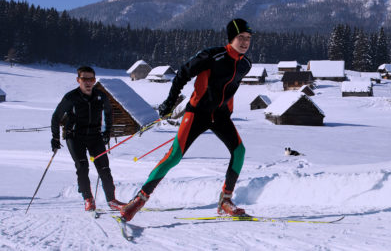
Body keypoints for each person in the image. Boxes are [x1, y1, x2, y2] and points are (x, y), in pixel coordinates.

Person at [121, 18, 253, 221]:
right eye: (240, 37)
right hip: (197, 113)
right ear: (230, 38)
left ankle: (226, 200)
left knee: (239, 151)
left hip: (219, 116)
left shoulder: (245, 64)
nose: (245, 42)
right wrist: (170, 101)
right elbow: (183, 73)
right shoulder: (212, 55)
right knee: (174, 156)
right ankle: (139, 199)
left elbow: (230, 88)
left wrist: (228, 110)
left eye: (248, 38)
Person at [51, 66, 126, 211]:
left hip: (95, 135)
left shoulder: (100, 96)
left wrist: (107, 132)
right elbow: (56, 117)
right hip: (74, 136)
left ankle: (112, 201)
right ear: (78, 80)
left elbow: (109, 113)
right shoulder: (71, 97)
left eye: (91, 79)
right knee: (82, 167)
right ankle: (88, 199)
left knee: (104, 168)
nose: (88, 82)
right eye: (84, 79)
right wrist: (55, 138)